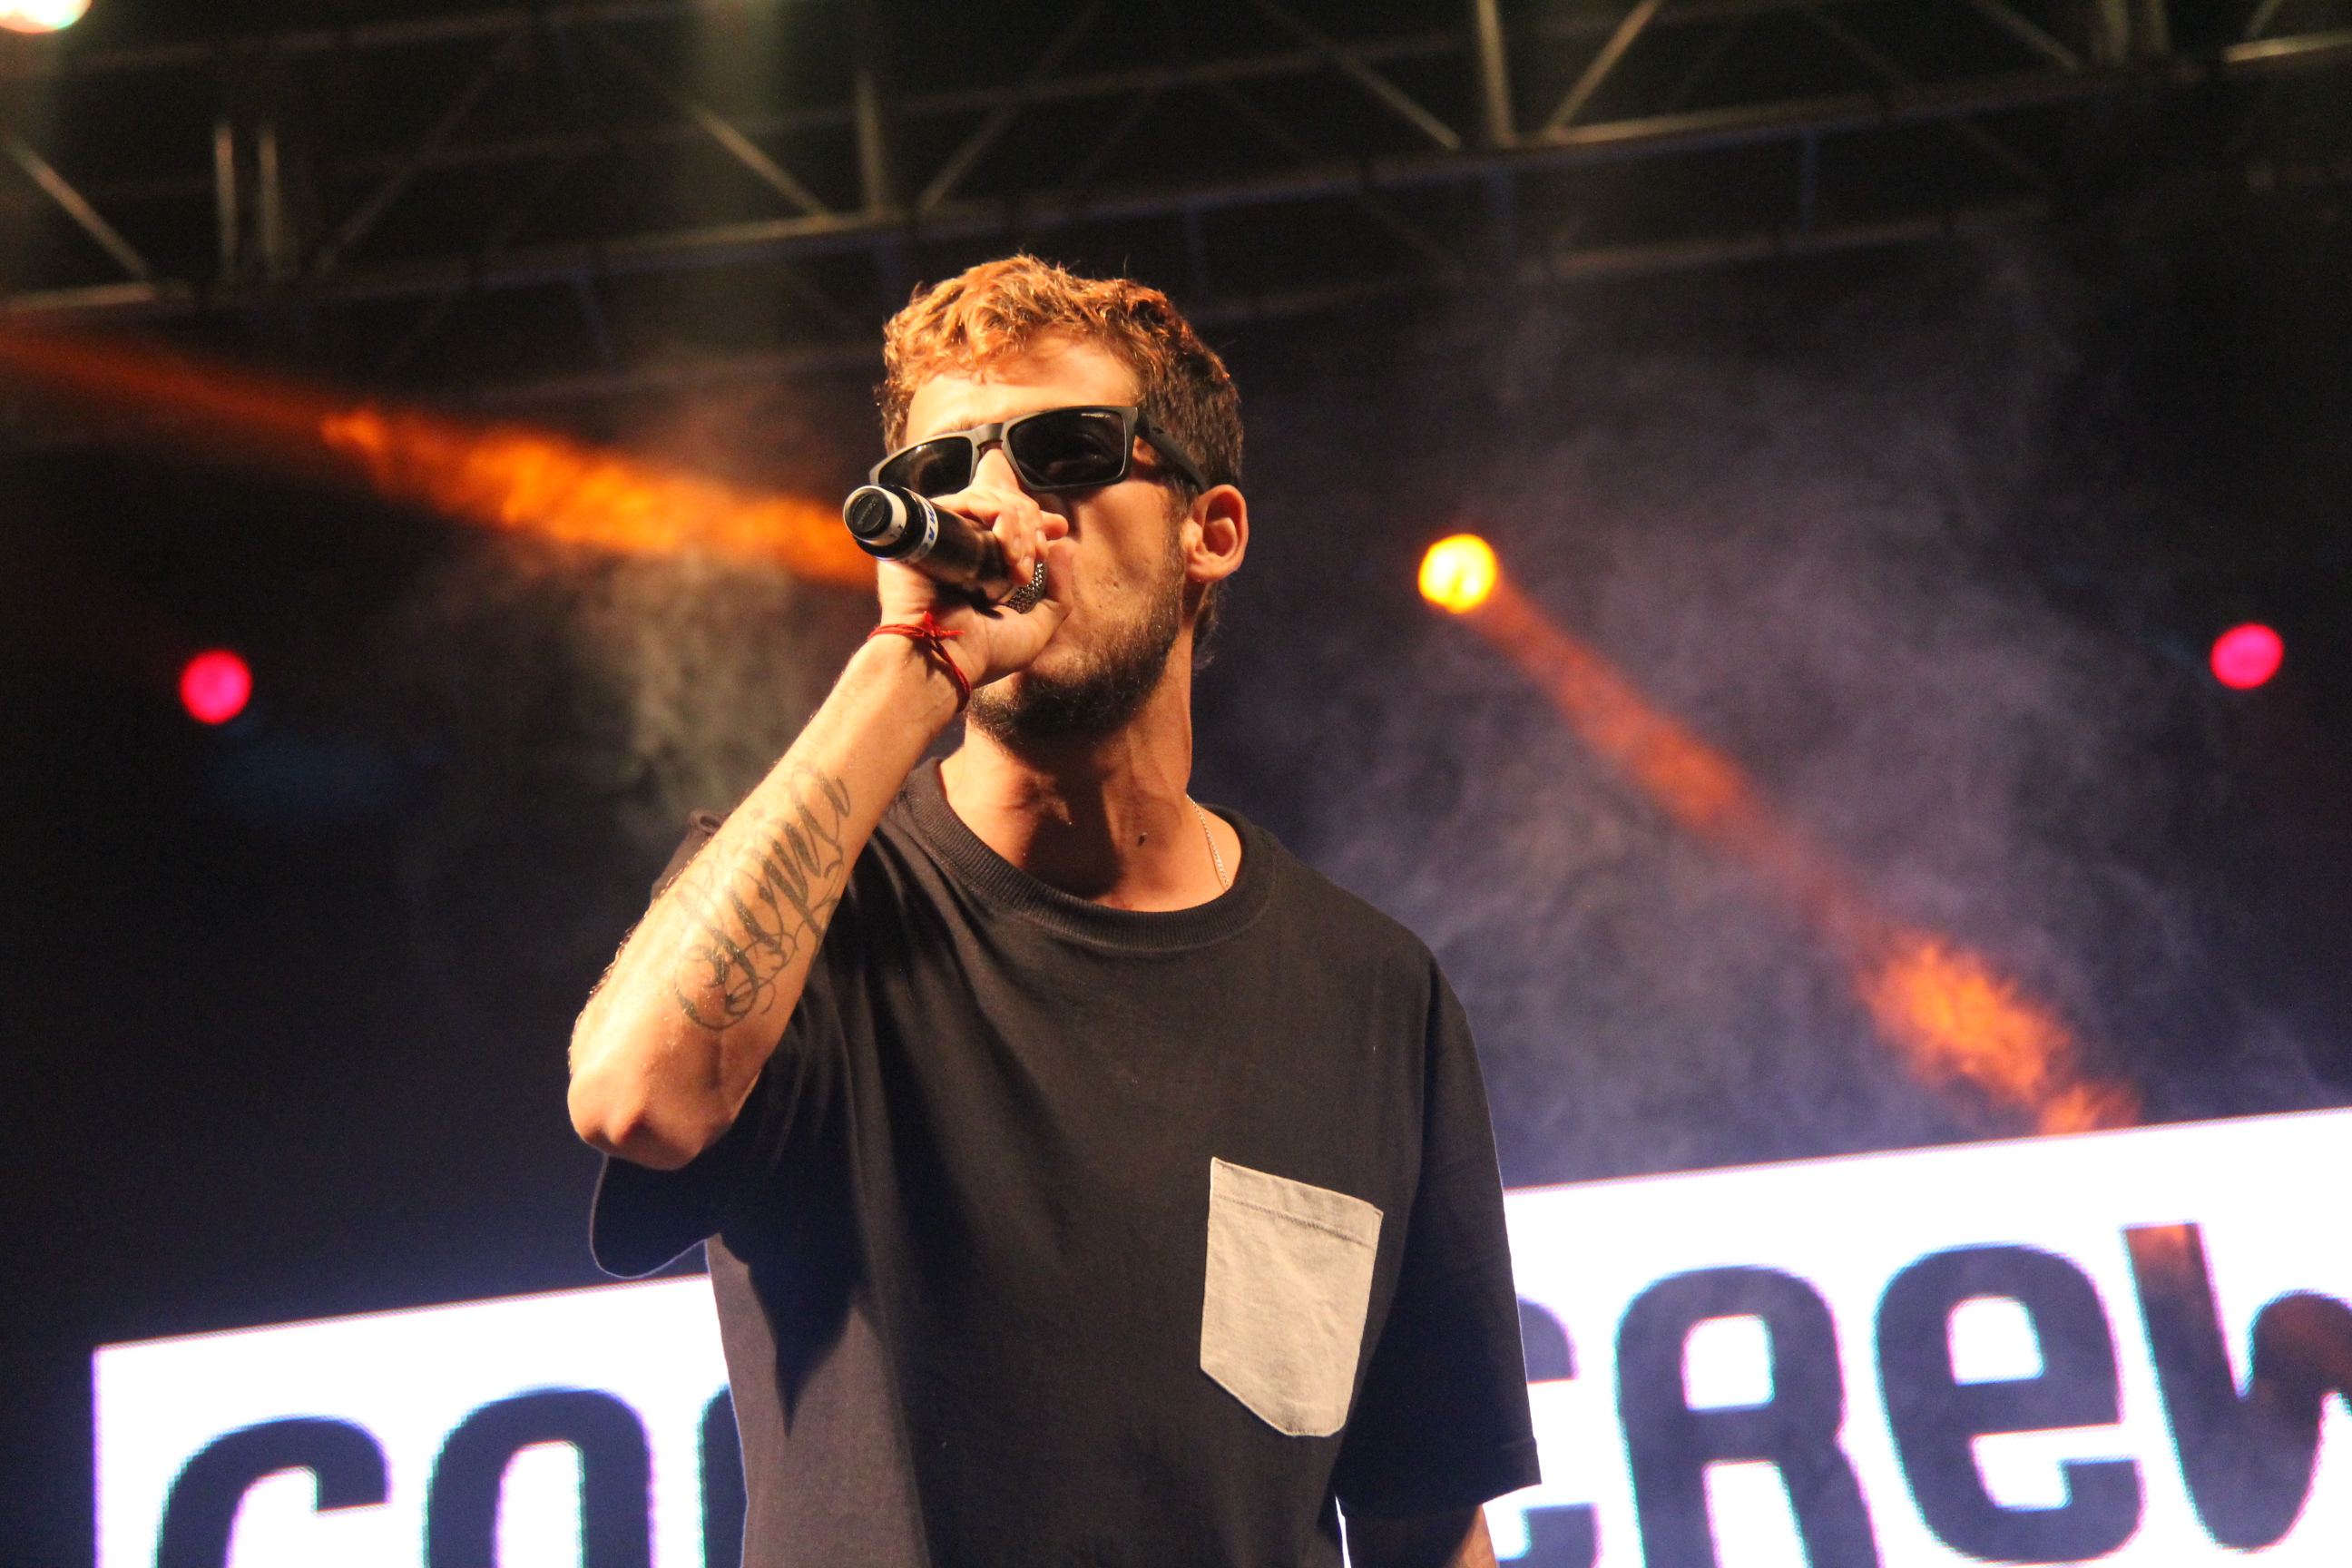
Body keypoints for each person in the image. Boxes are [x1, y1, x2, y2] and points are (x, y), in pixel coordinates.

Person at [566, 255, 1538, 1568]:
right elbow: (637, 1100)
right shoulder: (816, 907)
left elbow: (1427, 1517)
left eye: (1065, 452)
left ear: (1210, 532)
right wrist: (913, 662)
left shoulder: (1373, 991)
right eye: (941, 473)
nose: (1001, 506)